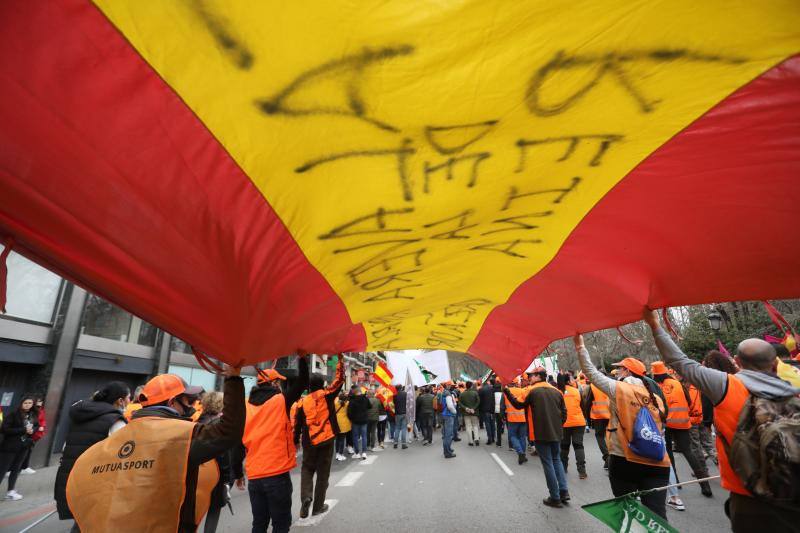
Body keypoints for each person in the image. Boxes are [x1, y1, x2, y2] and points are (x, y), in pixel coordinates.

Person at [642, 309, 800, 532]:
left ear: (736, 361)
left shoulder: (726, 386)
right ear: (775, 364)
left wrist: (655, 325)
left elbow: (679, 361)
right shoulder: (795, 385)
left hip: (748, 496)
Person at [67, 367, 244, 532]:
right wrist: (233, 377)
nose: (193, 404)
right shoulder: (182, 436)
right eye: (188, 400)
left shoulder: (119, 433)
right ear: (172, 402)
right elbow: (229, 432)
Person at [576, 335, 672, 520]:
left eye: (620, 369)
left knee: (627, 513)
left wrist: (580, 346)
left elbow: (590, 372)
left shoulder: (619, 389)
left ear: (628, 372)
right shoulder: (656, 397)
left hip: (625, 460)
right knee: (657, 518)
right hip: (658, 463)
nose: (617, 372)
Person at [234, 362, 307, 533]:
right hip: (277, 474)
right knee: (281, 524)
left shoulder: (245, 406)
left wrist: (237, 473)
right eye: (279, 382)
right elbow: (303, 381)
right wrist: (303, 357)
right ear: (274, 384)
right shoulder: (281, 400)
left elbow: (237, 444)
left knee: (259, 523)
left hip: (254, 476)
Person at [54, 382, 129, 531]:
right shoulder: (116, 422)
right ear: (120, 401)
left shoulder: (81, 414)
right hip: (99, 483)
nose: (130, 401)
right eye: (128, 398)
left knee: (82, 521)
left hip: (71, 477)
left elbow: (66, 446)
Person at [505, 367, 569, 508]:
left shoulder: (531, 391)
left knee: (548, 463)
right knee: (556, 460)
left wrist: (506, 391)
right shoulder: (557, 391)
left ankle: (555, 497)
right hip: (556, 433)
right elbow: (564, 413)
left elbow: (518, 405)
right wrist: (558, 426)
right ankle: (564, 492)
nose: (529, 378)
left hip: (539, 433)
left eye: (531, 375)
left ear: (538, 376)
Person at [650, 360, 712, 497]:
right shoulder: (677, 383)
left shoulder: (655, 387)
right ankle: (705, 484)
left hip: (666, 424)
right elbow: (689, 401)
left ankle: (675, 481)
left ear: (654, 374)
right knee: (689, 452)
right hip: (683, 422)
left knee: (668, 453)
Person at [294, 357, 345, 518]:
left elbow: (297, 424)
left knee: (307, 469)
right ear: (322, 384)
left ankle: (306, 497)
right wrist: (340, 360)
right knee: (323, 474)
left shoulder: (302, 402)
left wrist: (296, 440)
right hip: (327, 439)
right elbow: (339, 380)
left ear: (308, 386)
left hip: (309, 441)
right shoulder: (327, 395)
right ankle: (317, 507)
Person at [197, 392, 233, 533]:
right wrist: (226, 481)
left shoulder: (197, 422)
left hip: (197, 474)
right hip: (215, 476)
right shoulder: (221, 425)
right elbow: (224, 456)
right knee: (213, 511)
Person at [0, 395, 39, 501]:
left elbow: (36, 425)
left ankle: (10, 492)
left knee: (16, 469)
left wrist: (33, 430)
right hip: (10, 446)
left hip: (24, 446)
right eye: (25, 403)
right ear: (21, 403)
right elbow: (4, 429)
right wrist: (23, 430)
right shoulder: (14, 414)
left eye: (30, 403)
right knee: (2, 470)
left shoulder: (33, 414)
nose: (27, 405)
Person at [557, 373, 587, 479]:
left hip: (564, 423)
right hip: (579, 422)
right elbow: (583, 406)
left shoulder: (558, 392)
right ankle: (582, 471)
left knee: (564, 446)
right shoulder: (576, 391)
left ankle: (563, 468)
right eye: (571, 379)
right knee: (578, 445)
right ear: (568, 381)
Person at [583, 373, 611, 469]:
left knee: (600, 436)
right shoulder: (610, 384)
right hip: (611, 415)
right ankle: (613, 458)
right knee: (611, 436)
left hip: (598, 416)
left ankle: (607, 457)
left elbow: (588, 403)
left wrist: (587, 419)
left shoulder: (593, 386)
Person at [19, 396, 46, 475]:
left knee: (28, 450)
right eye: (38, 401)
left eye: (41, 401)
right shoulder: (31, 412)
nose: (39, 403)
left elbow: (42, 420)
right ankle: (19, 467)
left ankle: (24, 467)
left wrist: (42, 426)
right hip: (26, 434)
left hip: (35, 434)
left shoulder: (41, 410)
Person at [504, 380, 529, 464]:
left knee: (513, 436)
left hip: (512, 419)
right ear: (516, 383)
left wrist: (502, 416)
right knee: (522, 437)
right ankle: (523, 455)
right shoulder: (522, 391)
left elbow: (502, 405)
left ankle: (520, 452)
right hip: (522, 418)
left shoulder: (506, 392)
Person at [347, 385, 370, 459]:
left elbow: (349, 412)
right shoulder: (365, 398)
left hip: (355, 421)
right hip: (364, 420)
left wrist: (351, 419)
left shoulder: (352, 400)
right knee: (364, 437)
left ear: (354, 391)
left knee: (355, 437)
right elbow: (370, 406)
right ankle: (364, 452)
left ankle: (357, 453)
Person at [459, 381, 481, 446]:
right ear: (471, 386)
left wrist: (466, 408)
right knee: (475, 426)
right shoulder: (475, 393)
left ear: (466, 386)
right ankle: (476, 439)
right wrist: (473, 408)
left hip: (466, 413)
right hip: (474, 412)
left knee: (468, 427)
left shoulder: (462, 394)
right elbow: (478, 401)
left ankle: (470, 441)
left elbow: (459, 403)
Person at [440, 383, 458, 458]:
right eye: (450, 385)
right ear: (447, 385)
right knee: (448, 435)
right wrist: (455, 411)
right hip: (449, 415)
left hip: (445, 414)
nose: (451, 386)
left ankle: (448, 450)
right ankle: (447, 452)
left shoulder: (443, 392)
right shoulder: (447, 394)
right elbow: (450, 406)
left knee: (446, 434)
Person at [478, 378, 496, 445]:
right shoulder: (493, 389)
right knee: (492, 424)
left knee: (487, 424)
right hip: (492, 409)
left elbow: (479, 401)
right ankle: (493, 438)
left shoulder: (481, 390)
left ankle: (490, 439)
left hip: (485, 410)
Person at [334, 392, 351, 461]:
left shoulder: (335, 403)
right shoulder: (347, 404)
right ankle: (341, 454)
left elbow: (336, 398)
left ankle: (337, 453)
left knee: (337, 439)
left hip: (336, 422)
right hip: (344, 423)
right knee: (342, 439)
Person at [393, 384, 408, 449]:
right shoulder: (405, 394)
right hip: (404, 413)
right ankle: (403, 444)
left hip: (397, 413)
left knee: (397, 428)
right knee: (404, 428)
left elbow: (394, 403)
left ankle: (395, 443)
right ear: (401, 388)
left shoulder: (394, 396)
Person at [493, 378, 505, 448]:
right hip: (503, 411)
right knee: (505, 425)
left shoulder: (493, 394)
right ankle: (511, 445)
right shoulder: (503, 394)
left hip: (496, 411)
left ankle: (499, 442)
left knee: (498, 426)